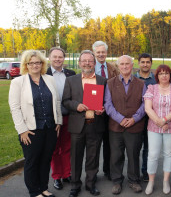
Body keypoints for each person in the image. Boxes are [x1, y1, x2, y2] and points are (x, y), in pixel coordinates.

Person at [9, 50, 62, 197]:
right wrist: (22, 130)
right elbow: (15, 108)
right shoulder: (18, 82)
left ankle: (44, 188)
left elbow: (56, 101)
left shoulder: (49, 79)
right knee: (32, 162)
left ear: (42, 64)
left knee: (46, 160)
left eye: (38, 62)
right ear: (26, 65)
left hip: (50, 128)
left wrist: (58, 121)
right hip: (31, 130)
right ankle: (34, 191)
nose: (35, 65)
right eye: (31, 63)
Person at [62, 50, 106, 197]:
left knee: (93, 157)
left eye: (90, 61)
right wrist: (77, 106)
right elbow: (65, 101)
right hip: (77, 125)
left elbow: (106, 101)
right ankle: (75, 185)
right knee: (75, 157)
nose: (87, 63)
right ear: (79, 63)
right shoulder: (71, 80)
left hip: (95, 123)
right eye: (84, 60)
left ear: (94, 63)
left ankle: (90, 184)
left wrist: (103, 109)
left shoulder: (101, 80)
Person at [104, 55, 146, 195]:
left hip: (135, 126)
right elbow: (108, 105)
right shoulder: (110, 83)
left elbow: (145, 104)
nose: (124, 66)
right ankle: (117, 181)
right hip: (116, 126)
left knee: (134, 155)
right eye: (121, 64)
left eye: (127, 64)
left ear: (132, 65)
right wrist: (120, 119)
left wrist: (134, 118)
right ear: (118, 66)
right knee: (116, 155)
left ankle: (134, 181)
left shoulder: (141, 84)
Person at [143, 64, 171, 195]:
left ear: (170, 75)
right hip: (154, 127)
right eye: (161, 73)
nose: (164, 76)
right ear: (157, 76)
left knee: (168, 154)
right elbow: (148, 108)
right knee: (153, 155)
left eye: (166, 73)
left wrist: (165, 120)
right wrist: (160, 122)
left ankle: (166, 181)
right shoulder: (151, 88)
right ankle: (151, 181)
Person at [46, 47, 76, 190]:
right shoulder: (43, 74)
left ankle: (66, 173)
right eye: (55, 57)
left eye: (60, 57)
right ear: (49, 58)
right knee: (54, 148)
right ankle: (57, 176)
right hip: (52, 119)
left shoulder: (71, 74)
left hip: (68, 117)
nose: (58, 59)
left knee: (67, 147)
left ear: (64, 58)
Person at [92, 41, 119, 180]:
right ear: (94, 53)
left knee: (109, 144)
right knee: (95, 145)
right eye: (98, 52)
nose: (101, 54)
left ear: (106, 53)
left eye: (103, 52)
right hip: (94, 113)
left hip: (110, 112)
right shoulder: (89, 68)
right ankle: (93, 173)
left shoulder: (113, 68)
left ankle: (108, 171)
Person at [134, 53, 156, 182]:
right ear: (139, 63)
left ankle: (146, 172)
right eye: (143, 62)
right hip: (137, 118)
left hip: (151, 119)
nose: (145, 64)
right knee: (135, 148)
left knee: (148, 148)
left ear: (151, 63)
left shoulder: (155, 80)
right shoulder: (133, 79)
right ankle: (134, 173)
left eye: (148, 62)